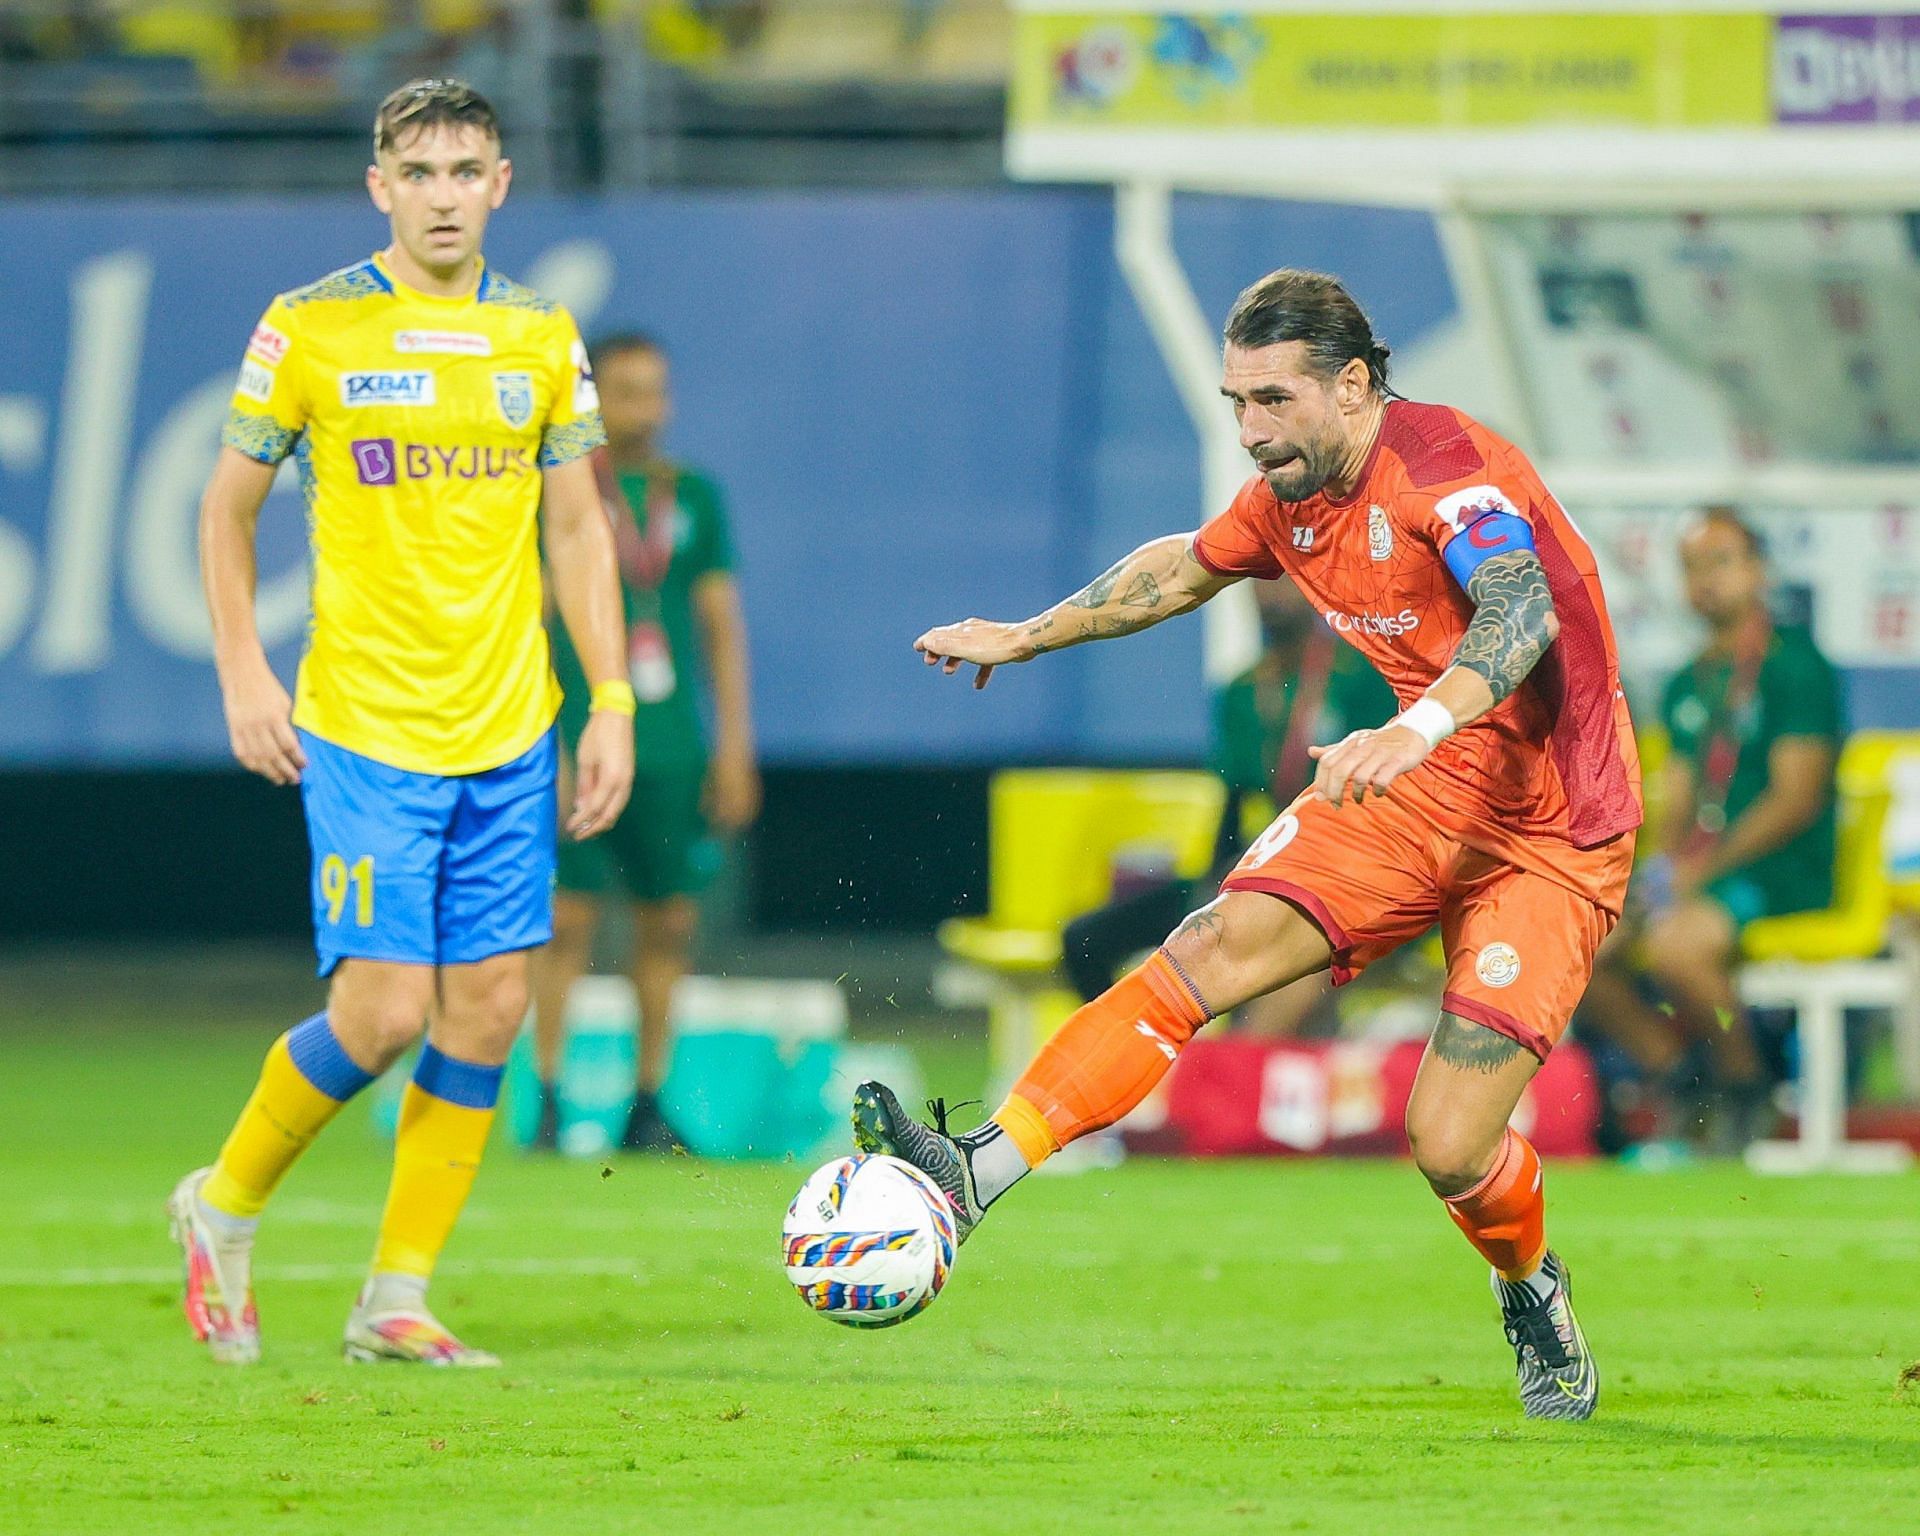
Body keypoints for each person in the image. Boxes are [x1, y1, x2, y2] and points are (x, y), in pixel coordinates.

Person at [856, 267, 1642, 1421]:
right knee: (1208, 945)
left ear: (1357, 385)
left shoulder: (1446, 474)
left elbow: (1516, 613)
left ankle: (1529, 1284)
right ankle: (974, 1171)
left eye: (1274, 400)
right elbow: (1181, 566)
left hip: (1551, 826)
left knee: (1447, 1143)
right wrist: (1031, 636)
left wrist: (1414, 724)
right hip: (1413, 790)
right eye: (1238, 402)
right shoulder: (1289, 495)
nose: (1253, 431)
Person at [169, 78, 634, 1368]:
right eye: (417, 173)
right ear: (380, 187)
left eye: (466, 171)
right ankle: (223, 1204)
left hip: (508, 730)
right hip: (368, 726)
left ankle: (396, 1294)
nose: (443, 195)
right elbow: (225, 510)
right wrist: (245, 677)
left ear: (501, 185)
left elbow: (582, 525)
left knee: (487, 1008)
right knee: (379, 1014)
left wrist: (613, 701)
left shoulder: (541, 334)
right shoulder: (311, 327)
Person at [529, 333, 760, 1153]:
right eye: (626, 391)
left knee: (667, 924)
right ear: (592, 398)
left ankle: (647, 1099)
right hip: (578, 736)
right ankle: (549, 1098)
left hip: (669, 746)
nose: (646, 408)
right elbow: (532, 627)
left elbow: (720, 627)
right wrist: (541, 745)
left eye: (655, 391)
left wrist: (734, 744)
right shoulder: (557, 488)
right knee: (564, 922)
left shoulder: (692, 495)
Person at [1578, 507, 1842, 1150]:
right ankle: (1676, 1074)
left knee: (1676, 948)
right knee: (1579, 951)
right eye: (1692, 568)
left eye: (1722, 562)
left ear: (1758, 571)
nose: (1706, 582)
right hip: (1704, 875)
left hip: (1780, 872)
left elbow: (1795, 800)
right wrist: (1656, 873)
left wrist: (1700, 872)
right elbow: (1681, 803)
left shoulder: (1795, 667)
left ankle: (1746, 1086)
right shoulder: (1687, 680)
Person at [1061, 578, 1397, 1040]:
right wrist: (1211, 885)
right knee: (1085, 940)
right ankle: (1137, 1054)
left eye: (1282, 586)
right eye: (1258, 587)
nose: (1269, 598)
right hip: (1250, 868)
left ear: (1315, 590)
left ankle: (1225, 1080)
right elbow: (1234, 801)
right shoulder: (1240, 690)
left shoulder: (1358, 678)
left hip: (1340, 876)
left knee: (1259, 1011)